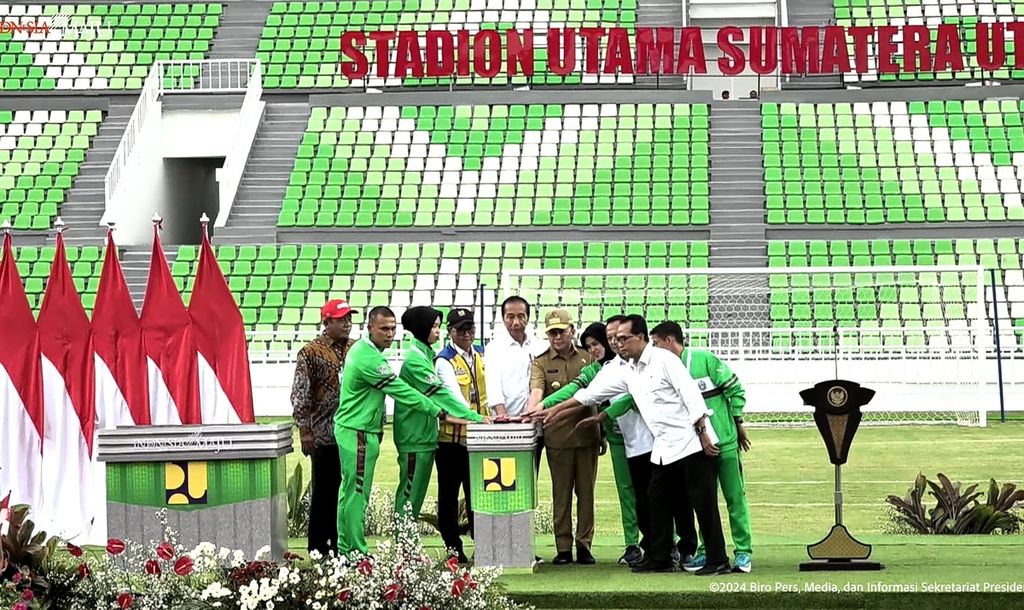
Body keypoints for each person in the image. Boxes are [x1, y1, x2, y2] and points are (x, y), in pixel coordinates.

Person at [545, 315, 730, 575]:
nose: (618, 344)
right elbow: (589, 394)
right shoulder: (626, 370)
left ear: (641, 338)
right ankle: (661, 557)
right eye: (616, 339)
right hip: (664, 447)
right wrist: (551, 412)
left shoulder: (665, 360)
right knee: (656, 502)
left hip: (692, 442)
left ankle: (717, 559)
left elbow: (691, 395)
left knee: (703, 503)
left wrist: (703, 432)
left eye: (623, 339)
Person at [529, 319, 643, 567]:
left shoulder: (633, 362)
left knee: (651, 491)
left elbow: (614, 399)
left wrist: (602, 419)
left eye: (603, 341)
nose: (597, 348)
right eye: (591, 344)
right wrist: (544, 408)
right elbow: (577, 390)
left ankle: (669, 543)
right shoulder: (598, 367)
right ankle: (632, 545)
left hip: (642, 437)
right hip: (605, 437)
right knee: (623, 491)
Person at [334, 306, 444, 557]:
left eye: (393, 329)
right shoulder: (369, 357)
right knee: (357, 493)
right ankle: (357, 553)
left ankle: (345, 550)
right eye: (384, 328)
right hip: (358, 432)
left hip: (355, 429)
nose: (390, 333)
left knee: (349, 491)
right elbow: (401, 391)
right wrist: (437, 410)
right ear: (369, 327)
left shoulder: (365, 351)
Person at [650, 321, 753, 573]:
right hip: (694, 448)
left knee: (734, 497)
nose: (653, 349)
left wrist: (737, 422)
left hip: (724, 442)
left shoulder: (703, 359)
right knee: (702, 501)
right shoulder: (661, 369)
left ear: (670, 341)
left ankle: (743, 552)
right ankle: (707, 551)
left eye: (656, 344)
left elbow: (735, 389)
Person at [393, 306, 488, 520]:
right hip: (414, 437)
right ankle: (403, 548)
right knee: (409, 498)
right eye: (434, 326)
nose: (438, 331)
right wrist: (476, 417)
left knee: (414, 499)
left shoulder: (425, 355)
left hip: (424, 437)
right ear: (421, 328)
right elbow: (442, 396)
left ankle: (408, 547)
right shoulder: (416, 361)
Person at [527, 309, 596, 565]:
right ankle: (564, 546)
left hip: (587, 434)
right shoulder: (541, 362)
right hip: (558, 438)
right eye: (552, 332)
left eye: (561, 331)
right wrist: (532, 410)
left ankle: (585, 545)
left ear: (572, 331)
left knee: (586, 494)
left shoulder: (589, 358)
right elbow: (536, 391)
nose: (557, 336)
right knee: (561, 494)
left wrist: (602, 437)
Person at [290, 298, 357, 555]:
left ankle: (343, 545)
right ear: (326, 322)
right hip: (324, 434)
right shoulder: (311, 352)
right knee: (324, 493)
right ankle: (319, 547)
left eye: (349, 319)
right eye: (341, 319)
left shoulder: (356, 349)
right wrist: (304, 430)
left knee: (347, 491)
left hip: (351, 433)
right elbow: (301, 391)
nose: (347, 324)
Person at [434, 308, 489, 563]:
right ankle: (453, 548)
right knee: (449, 496)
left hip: (479, 438)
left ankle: (483, 543)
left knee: (478, 494)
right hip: (451, 441)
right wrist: (478, 418)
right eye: (461, 330)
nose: (467, 334)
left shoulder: (482, 353)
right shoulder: (444, 360)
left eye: (470, 329)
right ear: (450, 331)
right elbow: (454, 399)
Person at [484, 295, 547, 469]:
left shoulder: (540, 346)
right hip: (506, 423)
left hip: (536, 424)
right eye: (510, 316)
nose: (516, 322)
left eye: (521, 316)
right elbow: (493, 384)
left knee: (531, 472)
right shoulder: (494, 348)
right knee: (507, 476)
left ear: (528, 317)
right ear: (503, 318)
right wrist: (502, 415)